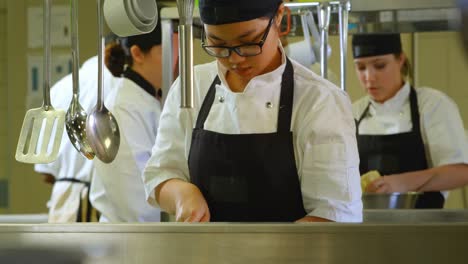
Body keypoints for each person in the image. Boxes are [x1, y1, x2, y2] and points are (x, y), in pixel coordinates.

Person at [142, 0, 362, 223]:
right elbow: (159, 175)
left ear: (280, 17)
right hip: (204, 256)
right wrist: (182, 194)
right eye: (218, 45)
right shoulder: (191, 87)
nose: (235, 59)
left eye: (248, 42)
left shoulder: (320, 101)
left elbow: (335, 214)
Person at [352, 33, 468, 208]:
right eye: (361, 68)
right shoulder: (353, 112)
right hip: (366, 229)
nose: (369, 77)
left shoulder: (431, 104)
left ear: (400, 59)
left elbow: (461, 172)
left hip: (422, 228)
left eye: (380, 66)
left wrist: (401, 183)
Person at [89, 9, 179, 222]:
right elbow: (135, 201)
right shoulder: (123, 107)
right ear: (138, 54)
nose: (176, 59)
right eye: (169, 49)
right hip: (131, 242)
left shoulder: (147, 99)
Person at [34, 54, 117, 223]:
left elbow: (45, 173)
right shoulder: (116, 85)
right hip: (96, 204)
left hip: (61, 204)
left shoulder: (59, 88)